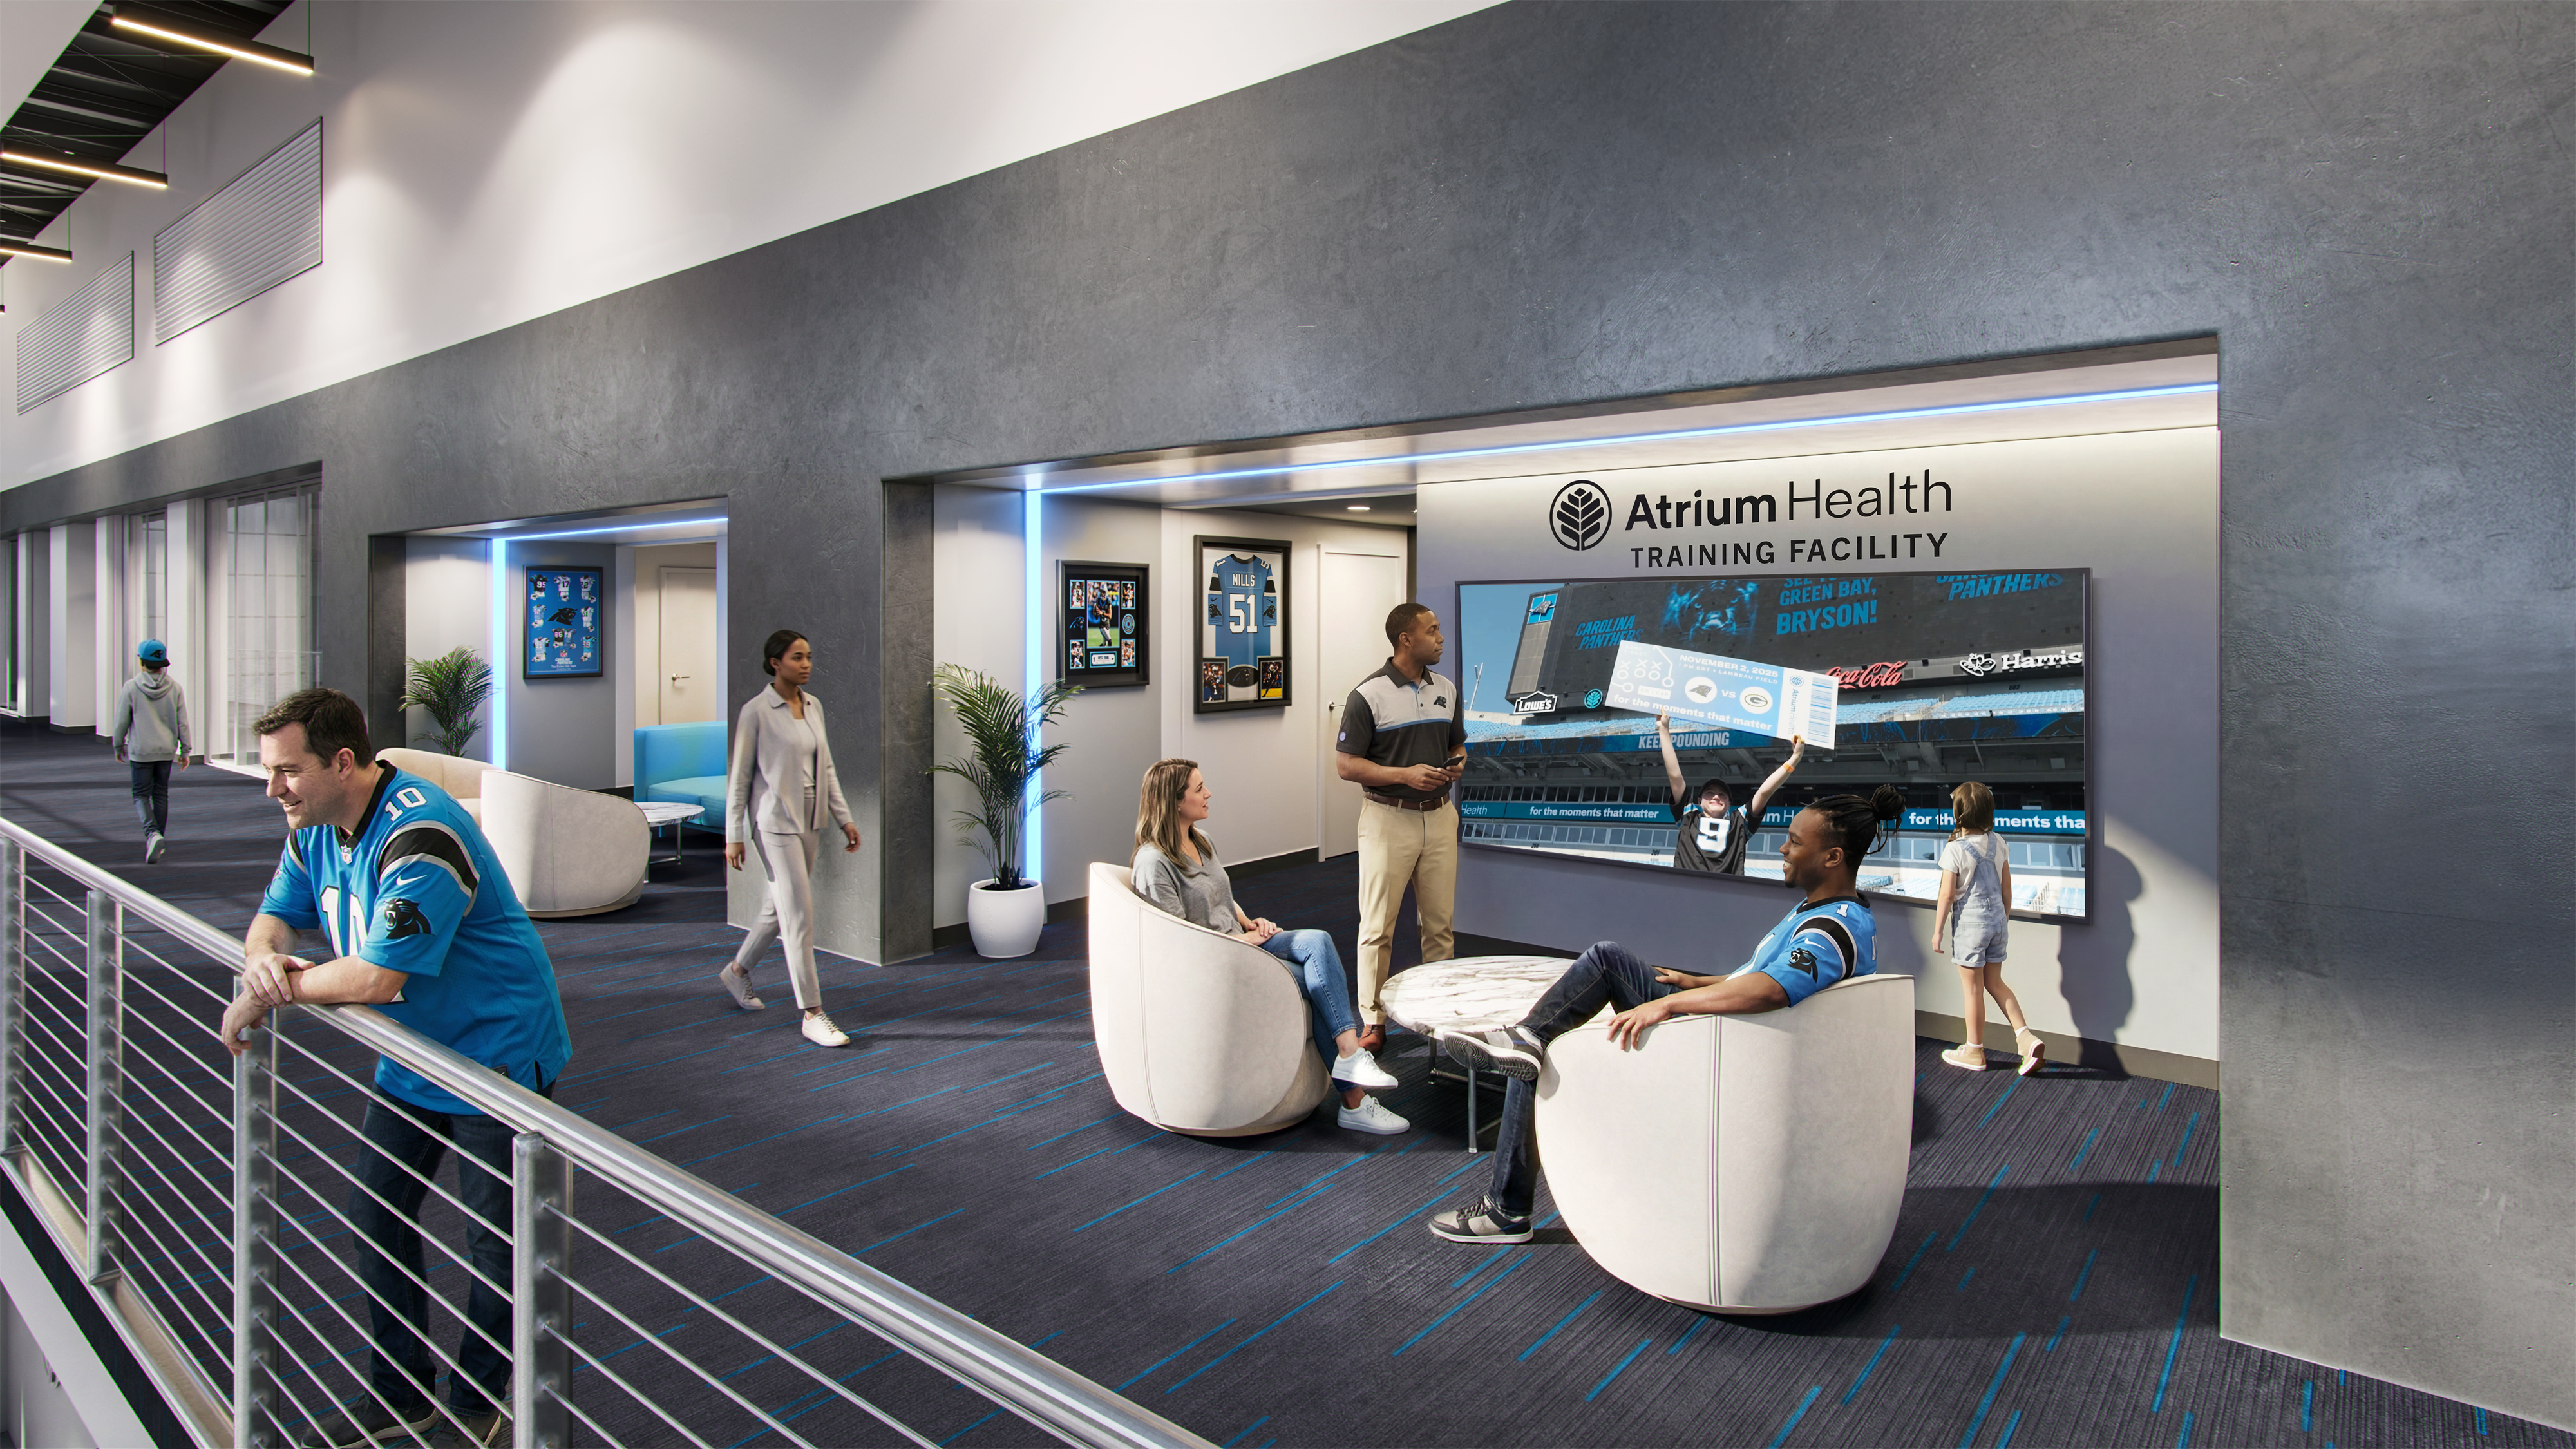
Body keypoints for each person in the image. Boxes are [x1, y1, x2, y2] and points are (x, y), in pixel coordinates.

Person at [214, 688, 571, 1449]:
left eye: (288, 771)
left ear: (343, 762)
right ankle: (403, 1390)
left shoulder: (422, 832)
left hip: (494, 1056)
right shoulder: (312, 827)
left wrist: (273, 995)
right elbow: (272, 919)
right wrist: (259, 966)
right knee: (376, 1213)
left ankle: (479, 1399)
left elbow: (377, 978)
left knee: (494, 1240)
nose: (274, 788)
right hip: (413, 1058)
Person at [1425, 786, 1904, 1244]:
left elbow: (1771, 989)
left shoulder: (1830, 931)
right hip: (1729, 1039)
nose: (1782, 848)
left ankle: (1506, 1207)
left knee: (1597, 971)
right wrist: (1697, 983)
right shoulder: (1834, 914)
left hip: (1723, 1058)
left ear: (1833, 858)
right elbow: (1761, 975)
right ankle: (1526, 1040)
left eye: (1795, 842)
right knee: (1582, 991)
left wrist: (1669, 1002)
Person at [1132, 759, 1411, 1135]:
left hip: (1242, 942)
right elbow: (1176, 939)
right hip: (1218, 961)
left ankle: (1349, 1053)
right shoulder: (1153, 863)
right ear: (1173, 801)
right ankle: (1355, 1101)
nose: (1208, 793)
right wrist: (1239, 940)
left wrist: (1250, 922)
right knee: (1314, 986)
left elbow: (1222, 898)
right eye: (1199, 790)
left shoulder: (1201, 840)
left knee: (1319, 941)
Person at [720, 630, 862, 1047]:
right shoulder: (756, 712)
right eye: (797, 657)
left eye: (809, 657)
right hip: (774, 823)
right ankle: (812, 1013)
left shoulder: (814, 706)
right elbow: (740, 778)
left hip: (811, 820)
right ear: (774, 663)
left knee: (778, 908)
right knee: (800, 915)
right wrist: (734, 836)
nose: (806, 664)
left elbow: (829, 768)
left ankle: (738, 971)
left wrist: (845, 819)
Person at [1333, 602, 1464, 1050]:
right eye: (1433, 630)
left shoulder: (1446, 688)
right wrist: (1405, 775)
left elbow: (1457, 743)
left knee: (1439, 926)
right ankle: (1372, 1019)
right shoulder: (1367, 695)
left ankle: (1440, 1012)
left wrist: (1457, 763)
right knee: (1377, 928)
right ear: (1406, 639)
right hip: (1387, 820)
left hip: (1441, 817)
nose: (1440, 638)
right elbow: (1346, 766)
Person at [1932, 781, 2043, 1074]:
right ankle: (2025, 1038)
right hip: (1997, 924)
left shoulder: (1955, 850)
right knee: (1996, 984)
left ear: (1958, 815)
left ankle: (1974, 1052)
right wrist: (2002, 921)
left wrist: (1938, 931)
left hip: (1970, 927)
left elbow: (1945, 895)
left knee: (1973, 992)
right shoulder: (2000, 842)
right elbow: (2008, 890)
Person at [1656, 712, 1804, 874]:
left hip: (1727, 894)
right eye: (1710, 793)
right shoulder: (1688, 817)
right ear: (1700, 801)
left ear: (1729, 804)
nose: (1716, 796)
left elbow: (1764, 792)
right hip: (1684, 890)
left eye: (1722, 795)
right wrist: (1664, 729)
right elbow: (1675, 776)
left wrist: (1794, 759)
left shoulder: (1740, 823)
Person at [108, 638, 190, 864]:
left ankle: (152, 834)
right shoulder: (175, 687)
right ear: (163, 663)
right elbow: (182, 722)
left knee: (140, 794)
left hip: (141, 751)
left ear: (141, 662)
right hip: (166, 751)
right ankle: (158, 838)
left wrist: (118, 745)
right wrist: (186, 750)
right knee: (160, 793)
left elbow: (120, 722)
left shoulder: (131, 687)